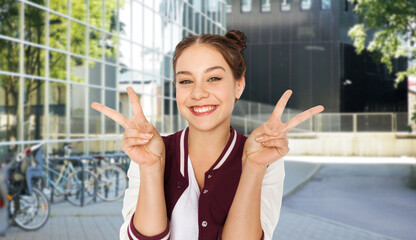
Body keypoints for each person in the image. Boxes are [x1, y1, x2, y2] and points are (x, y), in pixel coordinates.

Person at [91, 30, 324, 240]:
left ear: (238, 85)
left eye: (213, 78)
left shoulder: (265, 158)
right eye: (185, 81)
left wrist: (253, 166)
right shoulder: (148, 152)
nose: (198, 93)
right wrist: (151, 167)